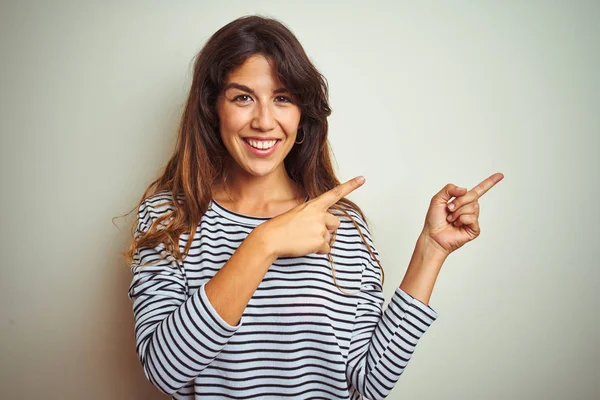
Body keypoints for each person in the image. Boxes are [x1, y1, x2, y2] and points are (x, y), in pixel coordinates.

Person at [125, 15, 504, 399]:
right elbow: (165, 371)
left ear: (302, 115)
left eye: (283, 99)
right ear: (212, 108)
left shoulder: (341, 223)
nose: (264, 121)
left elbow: (369, 382)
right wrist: (263, 243)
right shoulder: (169, 219)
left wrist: (431, 251)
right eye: (243, 97)